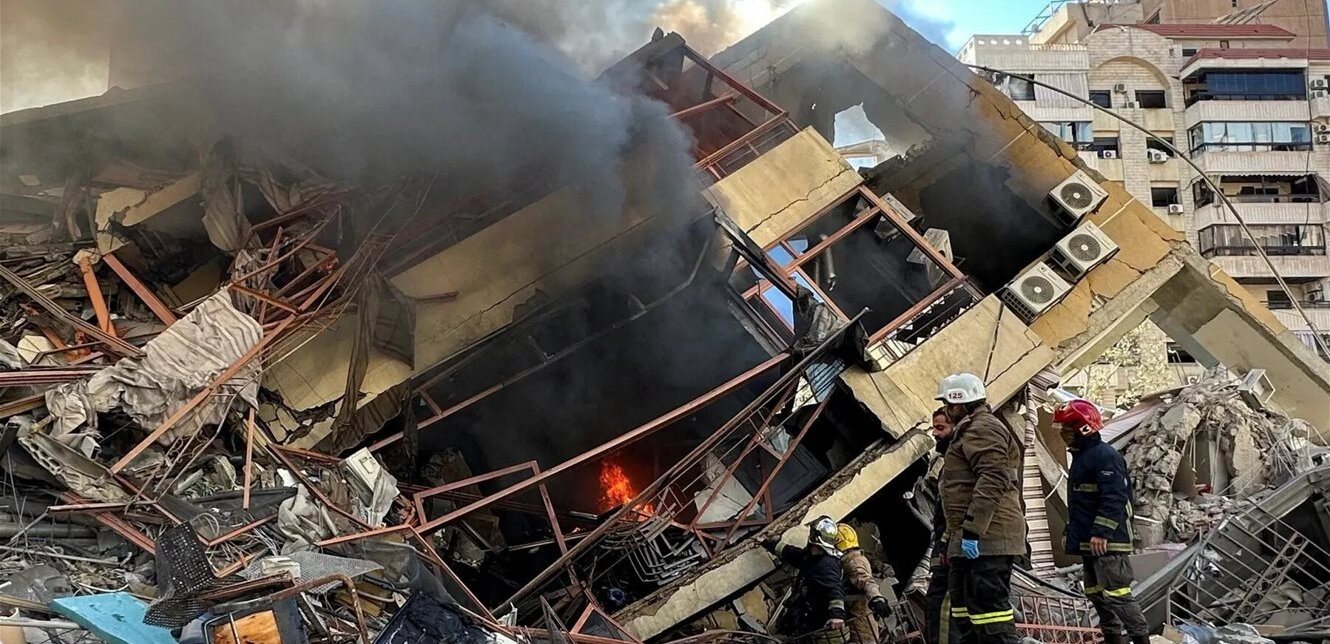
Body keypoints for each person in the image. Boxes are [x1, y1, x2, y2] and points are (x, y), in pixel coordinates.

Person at [936, 373, 1024, 644]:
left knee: (991, 619)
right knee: (965, 618)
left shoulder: (983, 428)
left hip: (988, 538)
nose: (946, 410)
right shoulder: (969, 430)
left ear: (960, 402)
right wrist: (952, 539)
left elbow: (993, 477)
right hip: (969, 539)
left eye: (948, 404)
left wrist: (973, 530)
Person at [1054, 400, 1150, 644]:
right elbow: (1082, 503)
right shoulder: (1083, 457)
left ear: (1083, 428)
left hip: (1107, 541)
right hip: (1091, 540)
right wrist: (1071, 531)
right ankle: (1112, 639)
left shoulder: (1104, 456)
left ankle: (1141, 639)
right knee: (1097, 594)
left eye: (1067, 428)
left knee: (1118, 595)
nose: (1063, 433)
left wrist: (1102, 532)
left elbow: (1114, 497)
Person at [765, 516, 848, 643]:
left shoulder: (826, 564)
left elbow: (834, 589)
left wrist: (837, 614)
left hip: (815, 623)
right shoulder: (813, 557)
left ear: (815, 537)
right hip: (802, 618)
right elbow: (792, 554)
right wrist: (767, 543)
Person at [922, 408, 960, 644]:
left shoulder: (958, 464)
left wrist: (946, 545)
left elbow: (953, 513)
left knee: (944, 613)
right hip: (945, 553)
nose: (935, 433)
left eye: (940, 428)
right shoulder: (948, 464)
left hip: (951, 554)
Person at [834, 523, 891, 643]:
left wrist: (876, 598)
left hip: (860, 621)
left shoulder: (853, 562)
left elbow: (866, 581)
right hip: (861, 620)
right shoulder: (857, 557)